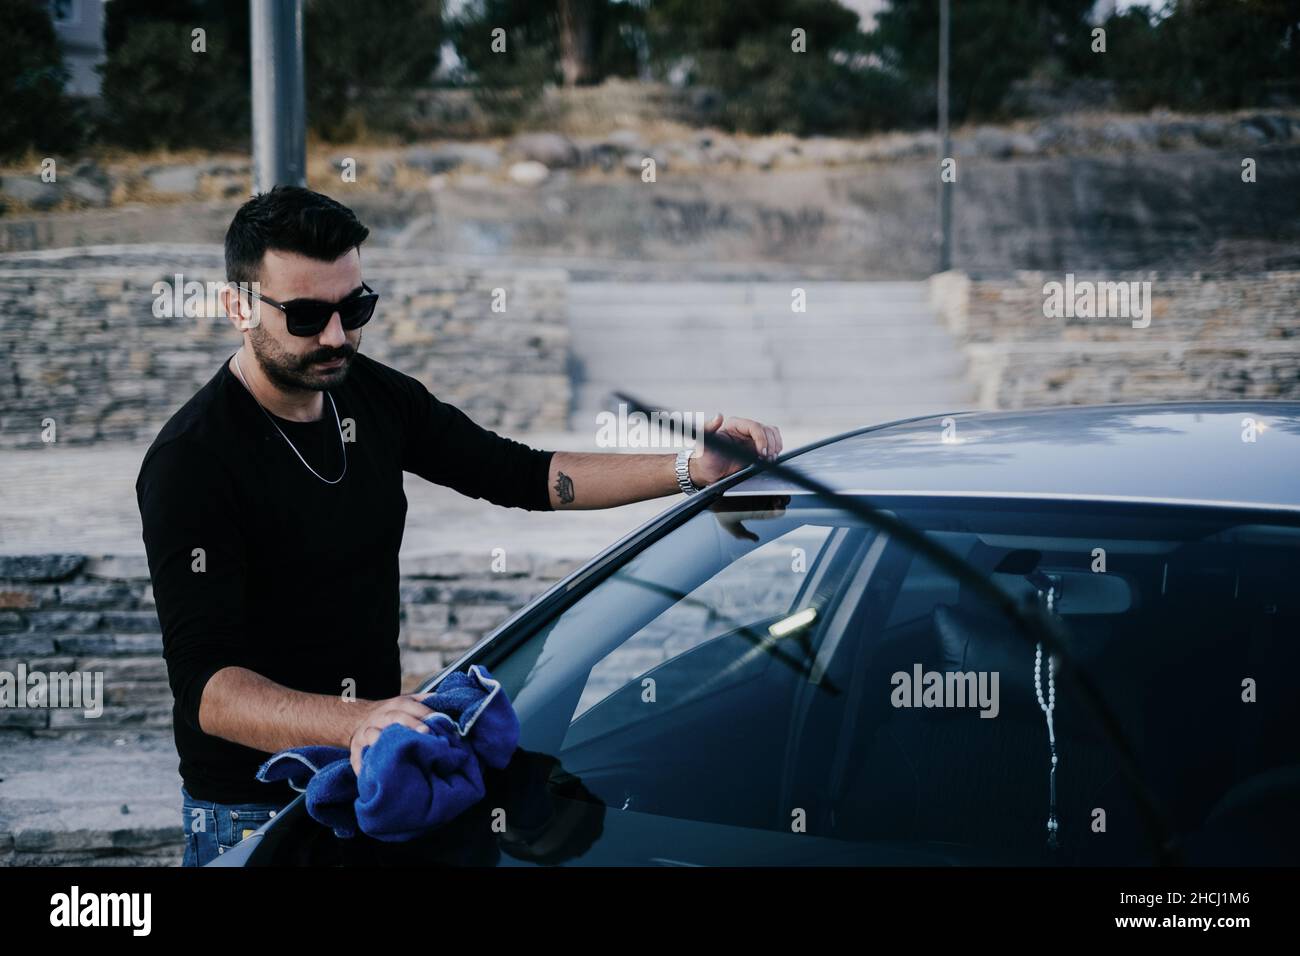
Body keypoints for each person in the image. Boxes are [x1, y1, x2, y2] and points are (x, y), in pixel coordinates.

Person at [135, 185, 783, 865]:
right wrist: (363, 719)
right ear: (238, 306)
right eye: (305, 315)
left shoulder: (372, 397)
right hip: (254, 810)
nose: (336, 336)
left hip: (376, 780)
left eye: (355, 308)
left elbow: (521, 474)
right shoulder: (194, 461)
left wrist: (690, 465)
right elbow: (211, 692)